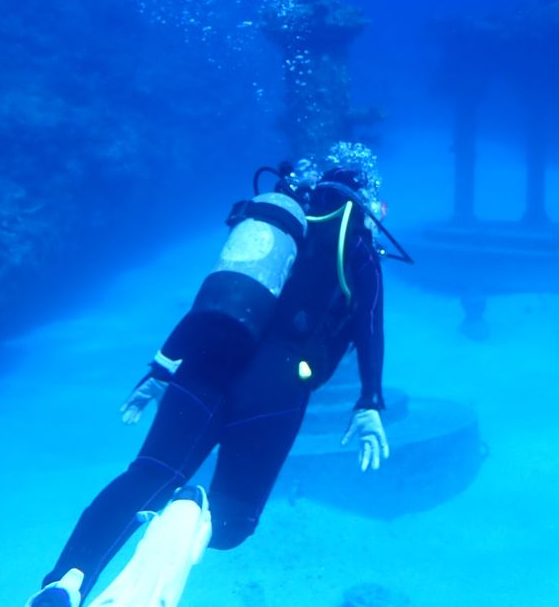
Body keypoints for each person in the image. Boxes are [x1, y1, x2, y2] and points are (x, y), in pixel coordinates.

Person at [26, 146, 408, 607]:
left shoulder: (275, 222)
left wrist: (163, 366)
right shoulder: (357, 243)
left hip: (206, 355)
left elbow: (218, 297)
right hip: (278, 378)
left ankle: (66, 580)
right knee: (232, 522)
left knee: (150, 473)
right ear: (366, 202)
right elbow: (370, 325)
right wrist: (369, 401)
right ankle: (189, 511)